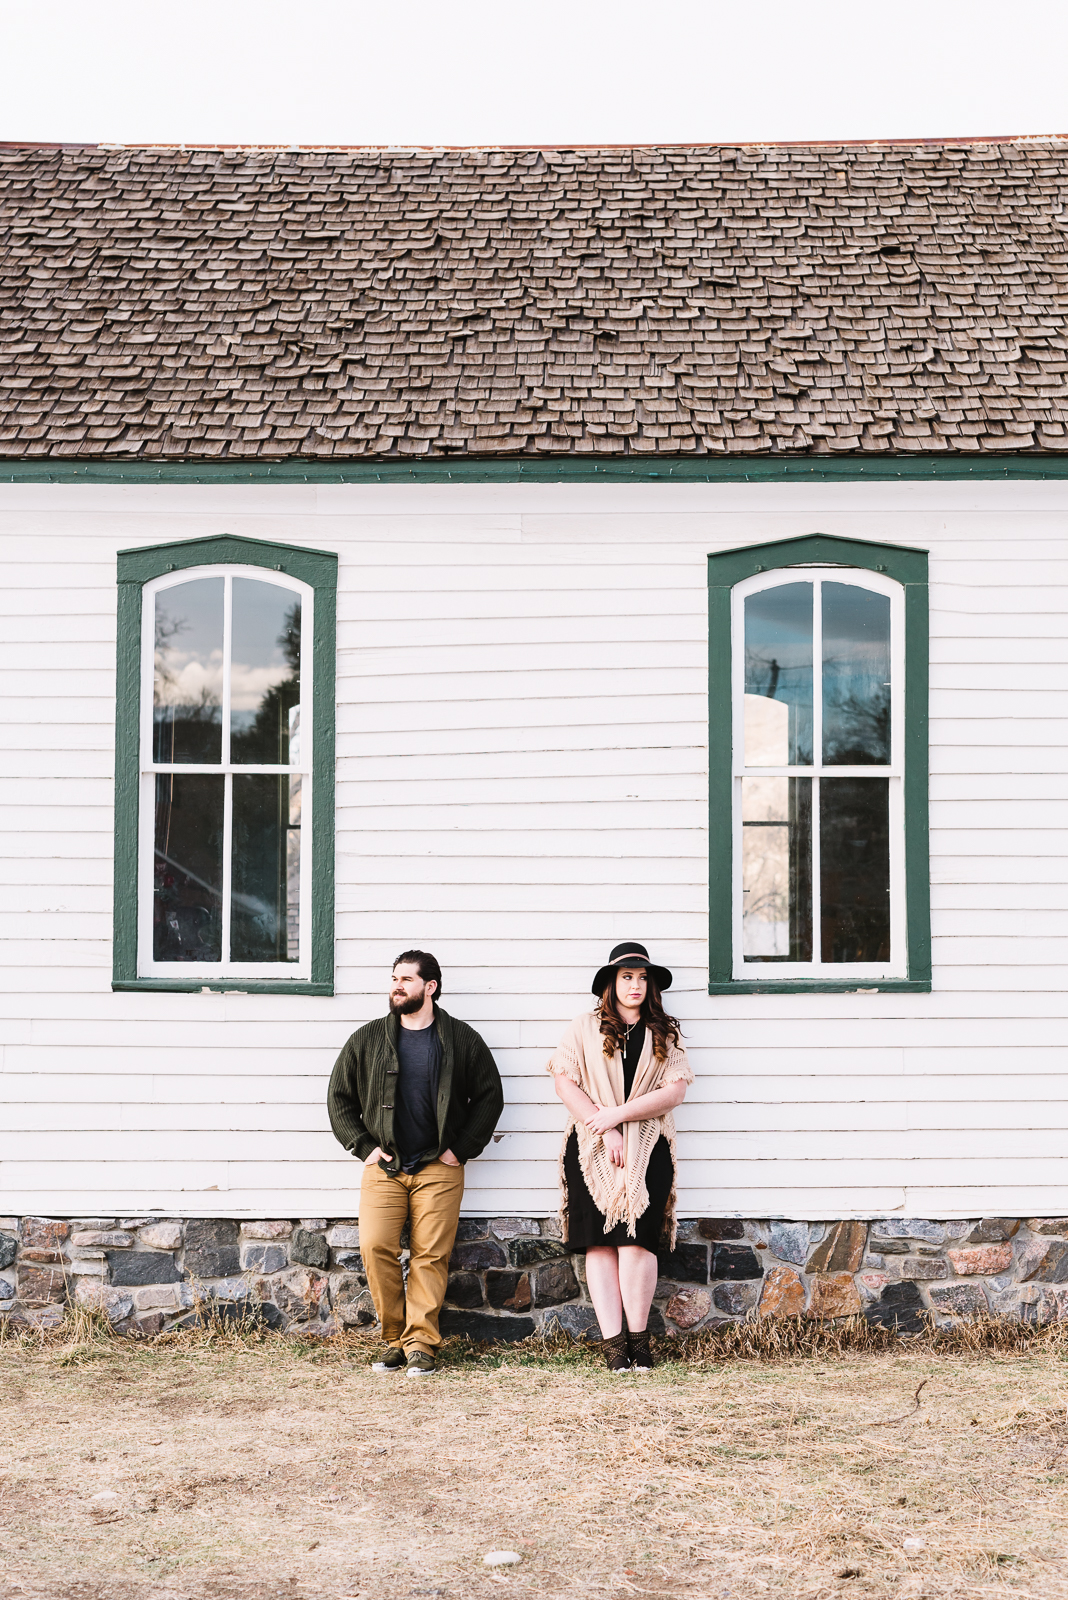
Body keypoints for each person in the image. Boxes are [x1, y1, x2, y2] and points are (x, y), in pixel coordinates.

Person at [328, 950, 504, 1377]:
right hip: (384, 1166)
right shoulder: (368, 1040)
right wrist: (363, 1145)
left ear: (431, 986)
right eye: (394, 978)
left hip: (439, 1167)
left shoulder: (461, 1040)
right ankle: (394, 1340)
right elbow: (340, 1098)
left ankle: (421, 1342)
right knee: (375, 1246)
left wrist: (459, 1149)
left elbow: (489, 1097)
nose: (397, 985)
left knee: (430, 1255)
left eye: (406, 979)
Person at [548, 942, 692, 1373]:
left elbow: (675, 1091)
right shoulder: (583, 1027)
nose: (636, 985)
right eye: (627, 977)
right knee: (601, 1243)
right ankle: (614, 1347)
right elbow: (564, 1083)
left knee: (638, 1241)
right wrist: (606, 1127)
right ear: (611, 983)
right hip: (593, 1147)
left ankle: (640, 1342)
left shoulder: (663, 1033)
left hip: (649, 1148)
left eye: (643, 978)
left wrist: (622, 1116)